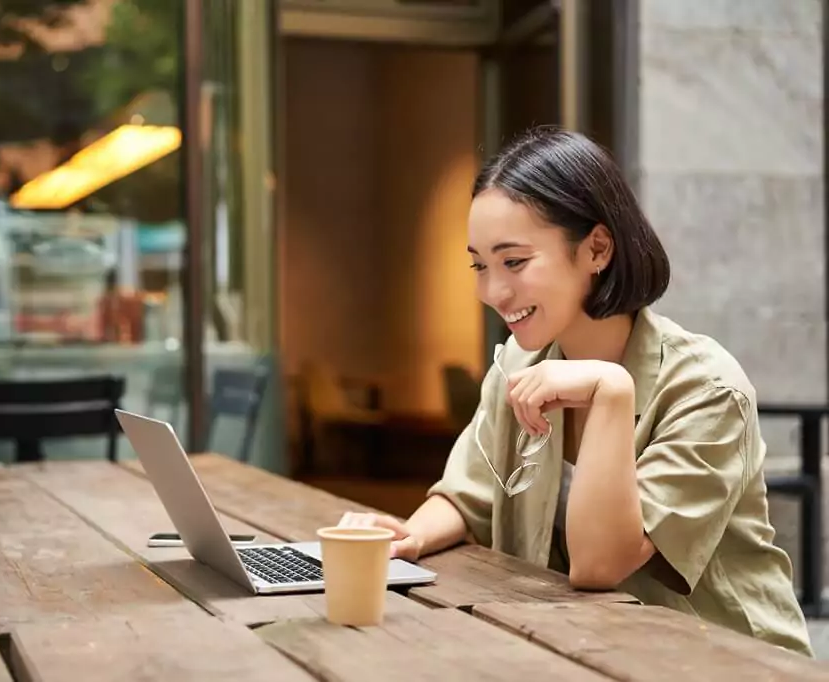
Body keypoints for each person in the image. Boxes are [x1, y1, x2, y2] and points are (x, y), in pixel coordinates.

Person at [337, 127, 814, 657]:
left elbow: (598, 565)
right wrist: (409, 538)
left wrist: (610, 392)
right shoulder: (519, 364)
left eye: (514, 262)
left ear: (597, 248)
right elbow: (466, 496)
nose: (492, 291)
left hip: (723, 661)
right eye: (479, 264)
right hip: (581, 649)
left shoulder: (708, 389)